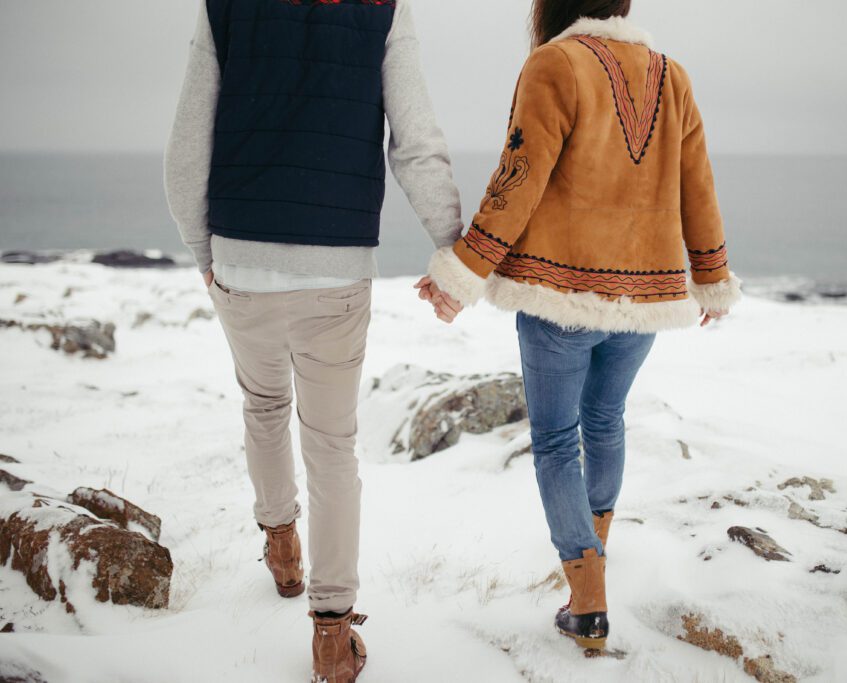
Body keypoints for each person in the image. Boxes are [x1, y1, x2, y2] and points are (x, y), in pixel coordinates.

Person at [416, 0, 741, 654]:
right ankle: (591, 557)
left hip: (557, 296)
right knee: (605, 420)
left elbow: (518, 180)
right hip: (644, 298)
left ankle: (587, 597)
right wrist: (711, 277)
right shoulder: (671, 74)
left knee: (558, 441)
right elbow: (697, 185)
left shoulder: (554, 64)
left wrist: (462, 272)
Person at [165, 1, 462, 680]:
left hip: (241, 260)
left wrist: (206, 250)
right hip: (336, 268)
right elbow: (415, 141)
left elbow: (185, 150)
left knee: (263, 406)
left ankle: (282, 547)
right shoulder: (383, 8)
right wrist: (453, 249)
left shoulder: (227, 6)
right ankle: (332, 634)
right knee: (331, 444)